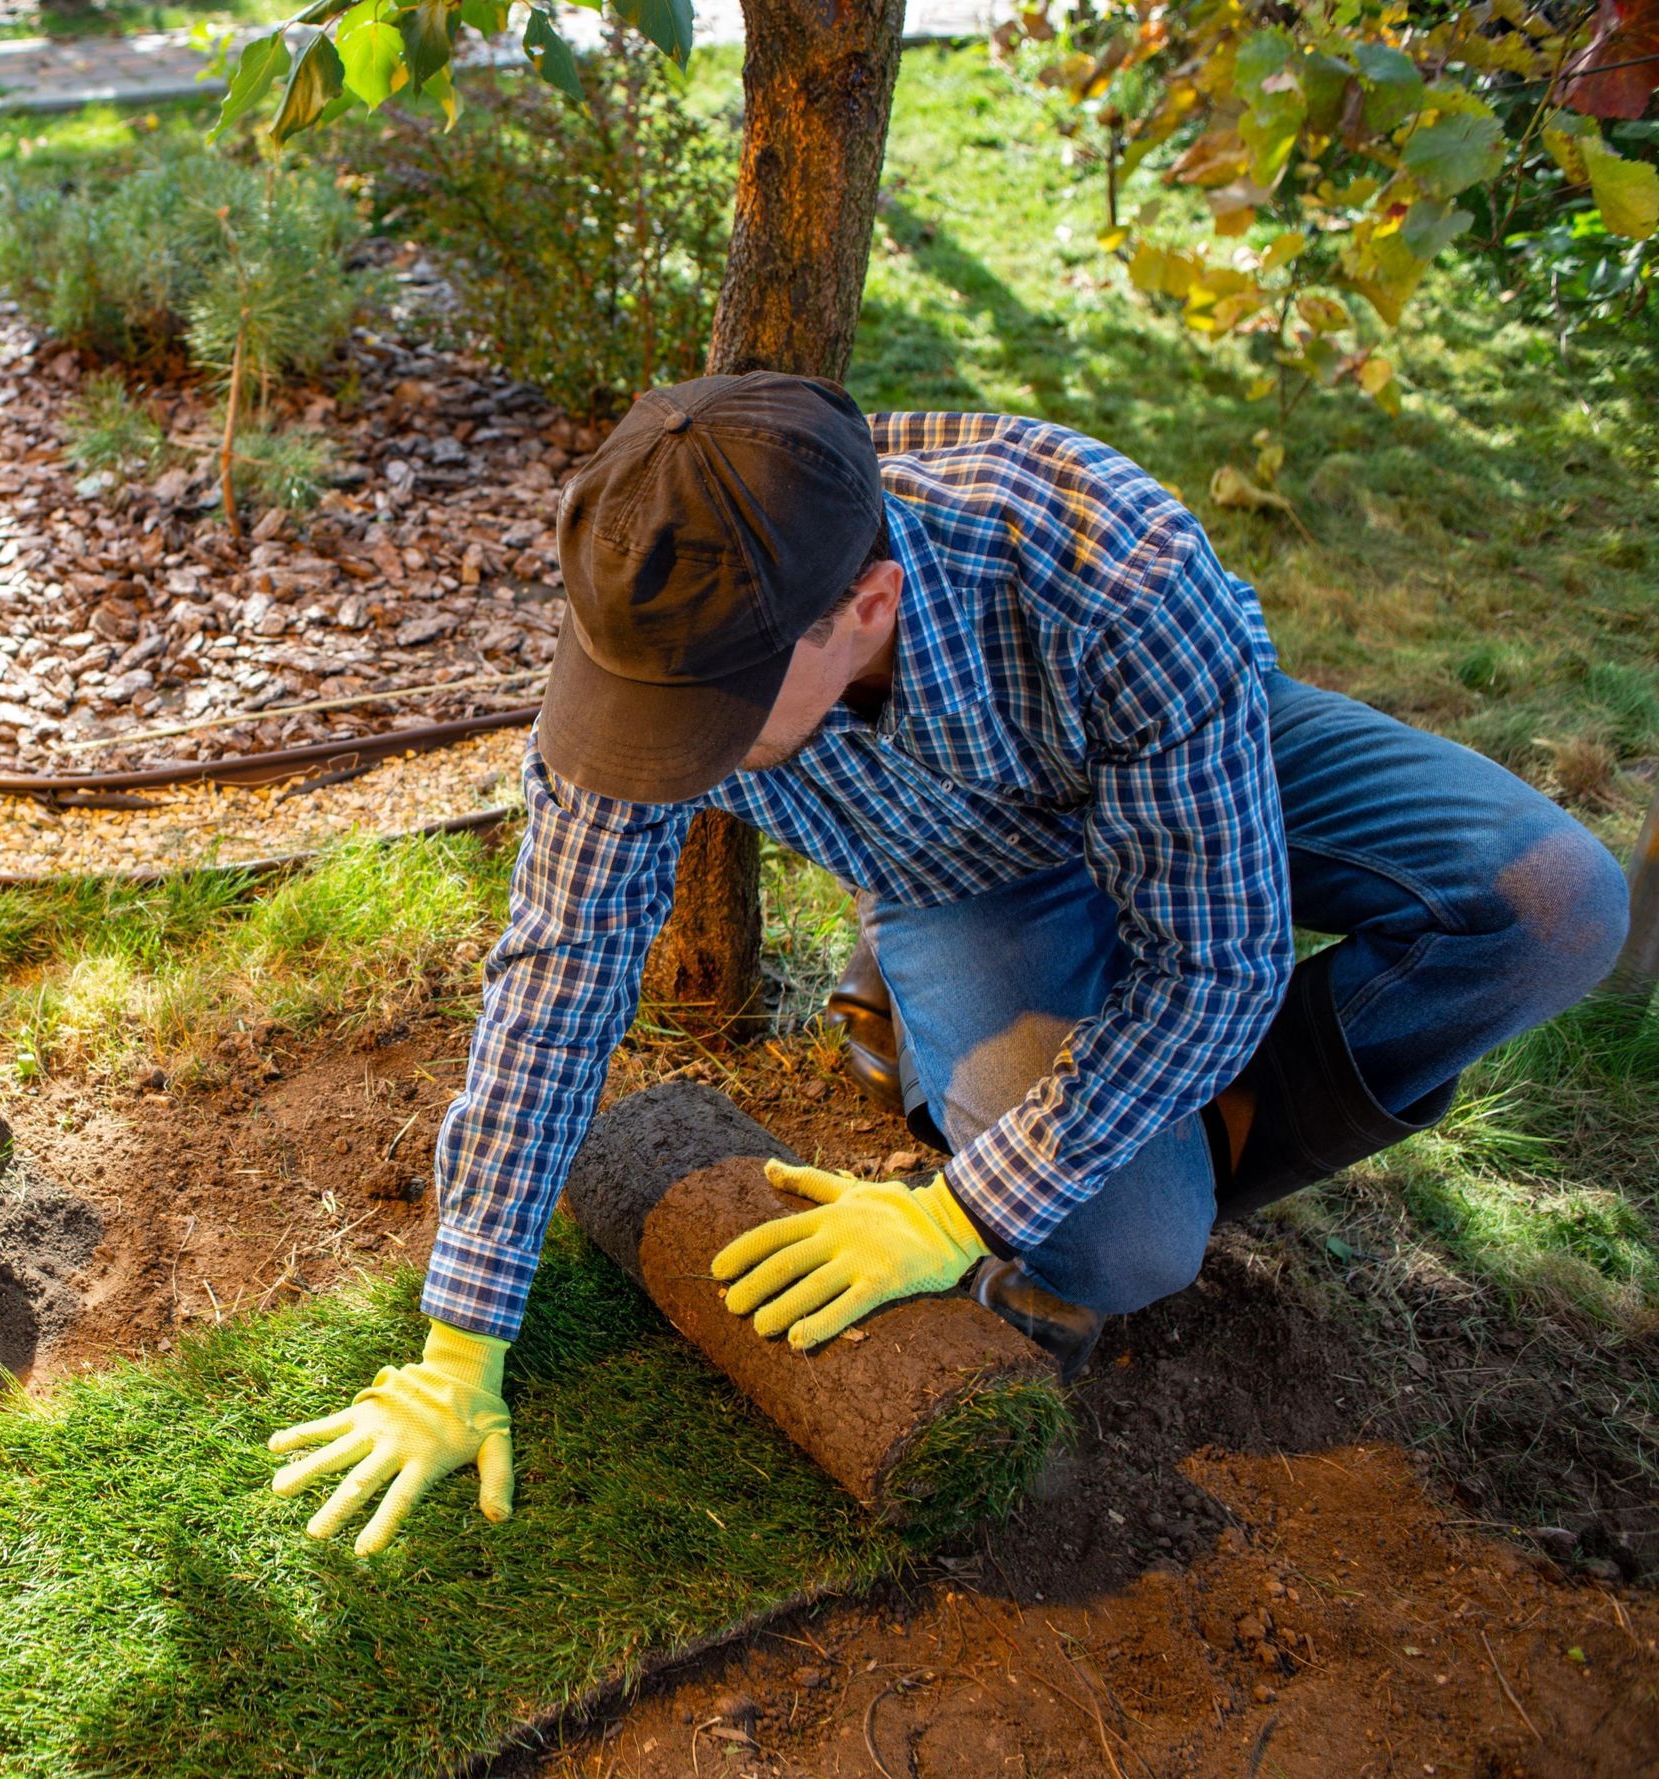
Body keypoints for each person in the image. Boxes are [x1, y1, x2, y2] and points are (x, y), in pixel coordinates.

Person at [265, 373, 1631, 1558]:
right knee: (1126, 1243)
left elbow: (1217, 965)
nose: (668, 755)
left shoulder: (1108, 564)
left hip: (1186, 752)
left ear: (863, 605)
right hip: (968, 876)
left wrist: (951, 1217)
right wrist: (460, 1341)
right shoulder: (661, 609)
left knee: (1558, 907)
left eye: (715, 720)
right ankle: (1080, 1085)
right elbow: (560, 969)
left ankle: (1161, 1099)